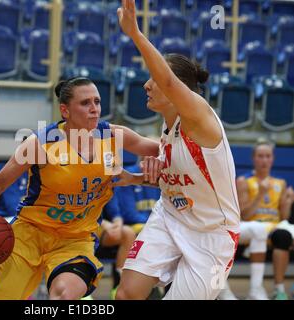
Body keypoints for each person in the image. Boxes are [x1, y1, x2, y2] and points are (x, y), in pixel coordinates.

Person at [0, 77, 160, 300]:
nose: (94, 109)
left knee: (64, 296)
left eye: (97, 102)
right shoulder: (40, 143)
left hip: (75, 239)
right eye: (85, 103)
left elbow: (167, 152)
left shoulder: (112, 136)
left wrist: (141, 175)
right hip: (29, 234)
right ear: (65, 110)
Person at [113, 0, 241, 300]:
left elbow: (168, 81)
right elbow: (183, 177)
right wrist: (136, 178)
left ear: (178, 90)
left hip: (213, 235)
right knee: (126, 294)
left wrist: (135, 34)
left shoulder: (199, 118)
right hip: (169, 218)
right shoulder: (167, 127)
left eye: (152, 79)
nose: (146, 85)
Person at [219, 140, 294, 300]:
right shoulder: (244, 181)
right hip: (250, 225)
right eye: (260, 156)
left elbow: (284, 217)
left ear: (273, 159)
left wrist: (288, 203)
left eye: (268, 156)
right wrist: (260, 194)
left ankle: (279, 289)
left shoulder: (280, 183)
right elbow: (243, 215)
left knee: (284, 236)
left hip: (274, 227)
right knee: (271, 234)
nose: (264, 160)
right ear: (253, 158)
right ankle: (225, 289)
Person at [94, 192, 136, 300]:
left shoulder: (109, 180)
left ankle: (119, 285)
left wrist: (117, 222)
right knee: (84, 235)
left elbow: (114, 208)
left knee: (128, 233)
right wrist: (103, 223)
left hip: (103, 227)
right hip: (84, 224)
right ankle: (82, 290)